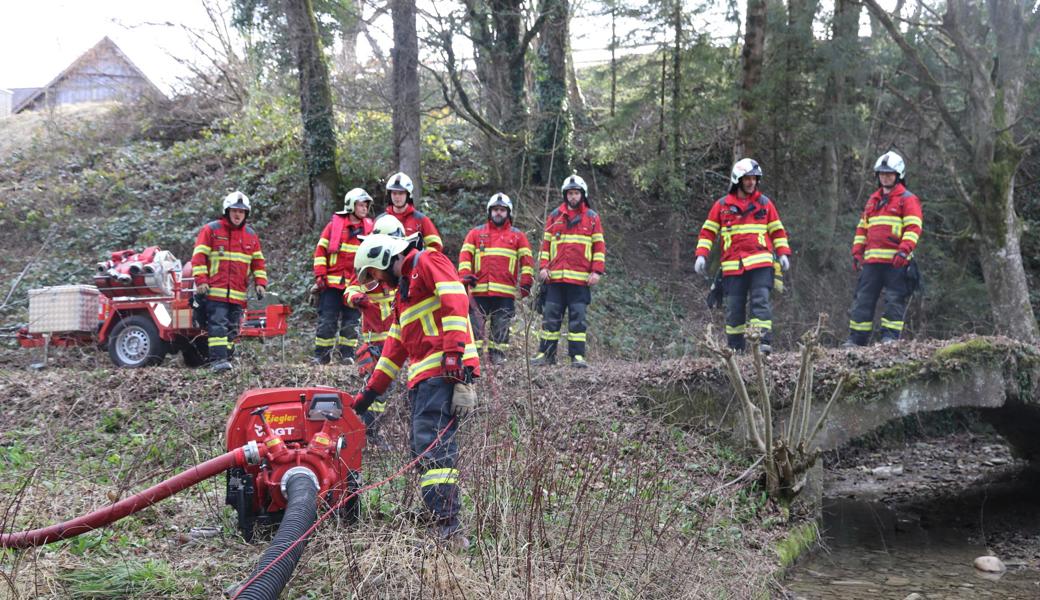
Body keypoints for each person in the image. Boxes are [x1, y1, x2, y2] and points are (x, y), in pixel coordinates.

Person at [351, 232, 480, 545]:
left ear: (383, 257)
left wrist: (452, 354)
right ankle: (437, 516)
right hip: (424, 382)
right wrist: (366, 397)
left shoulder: (428, 261)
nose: (378, 282)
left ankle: (448, 528)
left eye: (375, 274)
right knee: (424, 450)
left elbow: (456, 301)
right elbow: (393, 350)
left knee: (434, 449)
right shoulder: (403, 295)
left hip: (441, 375)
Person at [694, 159, 791, 354]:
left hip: (761, 263)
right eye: (747, 178)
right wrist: (701, 255)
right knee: (734, 308)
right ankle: (736, 349)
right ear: (738, 179)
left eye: (754, 178)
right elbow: (708, 233)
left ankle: (762, 345)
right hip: (733, 266)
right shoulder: (722, 206)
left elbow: (777, 232)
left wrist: (783, 253)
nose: (751, 182)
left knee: (760, 301)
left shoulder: (765, 204)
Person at [845, 151, 922, 346]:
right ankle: (856, 340)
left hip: (897, 262)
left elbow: (913, 227)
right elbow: (863, 227)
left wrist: (904, 250)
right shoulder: (873, 200)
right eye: (882, 174)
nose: (885, 177)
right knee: (863, 300)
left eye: (889, 174)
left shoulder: (907, 199)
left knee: (894, 300)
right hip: (872, 262)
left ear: (898, 175)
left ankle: (890, 339)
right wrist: (857, 251)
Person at [343, 213, 407, 445]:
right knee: (376, 388)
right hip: (374, 340)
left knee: (391, 389)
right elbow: (349, 290)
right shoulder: (368, 265)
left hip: (399, 340)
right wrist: (358, 297)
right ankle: (370, 431)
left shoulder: (404, 268)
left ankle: (373, 431)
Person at [530, 173, 605, 368]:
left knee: (577, 321)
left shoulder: (592, 218)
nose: (573, 196)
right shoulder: (555, 216)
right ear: (565, 195)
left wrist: (596, 271)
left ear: (583, 195)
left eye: (576, 193)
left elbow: (599, 247)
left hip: (580, 281)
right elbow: (545, 245)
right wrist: (543, 267)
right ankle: (545, 354)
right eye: (570, 193)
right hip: (555, 279)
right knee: (550, 319)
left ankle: (577, 357)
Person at [191, 191, 267, 372]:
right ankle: (218, 362)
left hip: (238, 294)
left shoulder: (250, 235)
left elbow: (258, 262)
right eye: (234, 210)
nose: (238, 214)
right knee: (218, 326)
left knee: (233, 330)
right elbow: (199, 257)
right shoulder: (211, 230)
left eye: (241, 211)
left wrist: (260, 283)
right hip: (215, 291)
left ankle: (227, 361)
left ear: (246, 214)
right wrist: (201, 280)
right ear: (227, 211)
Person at [458, 193, 534, 365]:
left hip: (505, 292)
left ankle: (497, 357)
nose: (498, 213)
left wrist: (526, 283)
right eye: (495, 210)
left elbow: (527, 261)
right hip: (479, 289)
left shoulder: (518, 236)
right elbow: (465, 256)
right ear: (489, 212)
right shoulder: (476, 233)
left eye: (502, 210)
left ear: (509, 213)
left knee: (501, 326)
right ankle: (473, 357)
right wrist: (464, 276)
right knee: (475, 325)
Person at [311, 188, 374, 364]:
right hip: (331, 285)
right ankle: (321, 356)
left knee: (351, 322)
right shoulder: (334, 227)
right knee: (327, 321)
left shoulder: (370, 230)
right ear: (351, 205)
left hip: (356, 285)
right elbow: (320, 252)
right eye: (361, 205)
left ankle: (347, 356)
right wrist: (320, 276)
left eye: (366, 205)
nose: (364, 208)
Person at [384, 172, 443, 251]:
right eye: (394, 193)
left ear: (408, 195)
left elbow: (437, 246)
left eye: (401, 193)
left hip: (413, 262)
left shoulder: (421, 220)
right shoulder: (382, 219)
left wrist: (420, 257)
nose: (397, 197)